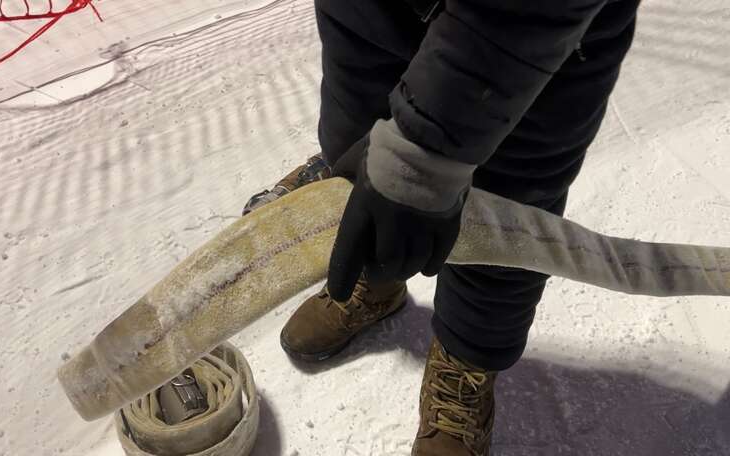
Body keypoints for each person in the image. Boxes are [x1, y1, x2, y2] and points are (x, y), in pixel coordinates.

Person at [244, 0, 641, 454]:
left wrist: (420, 156)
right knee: (354, 151)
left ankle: (465, 362)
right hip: (367, 13)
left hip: (536, 38)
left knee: (506, 225)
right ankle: (376, 281)